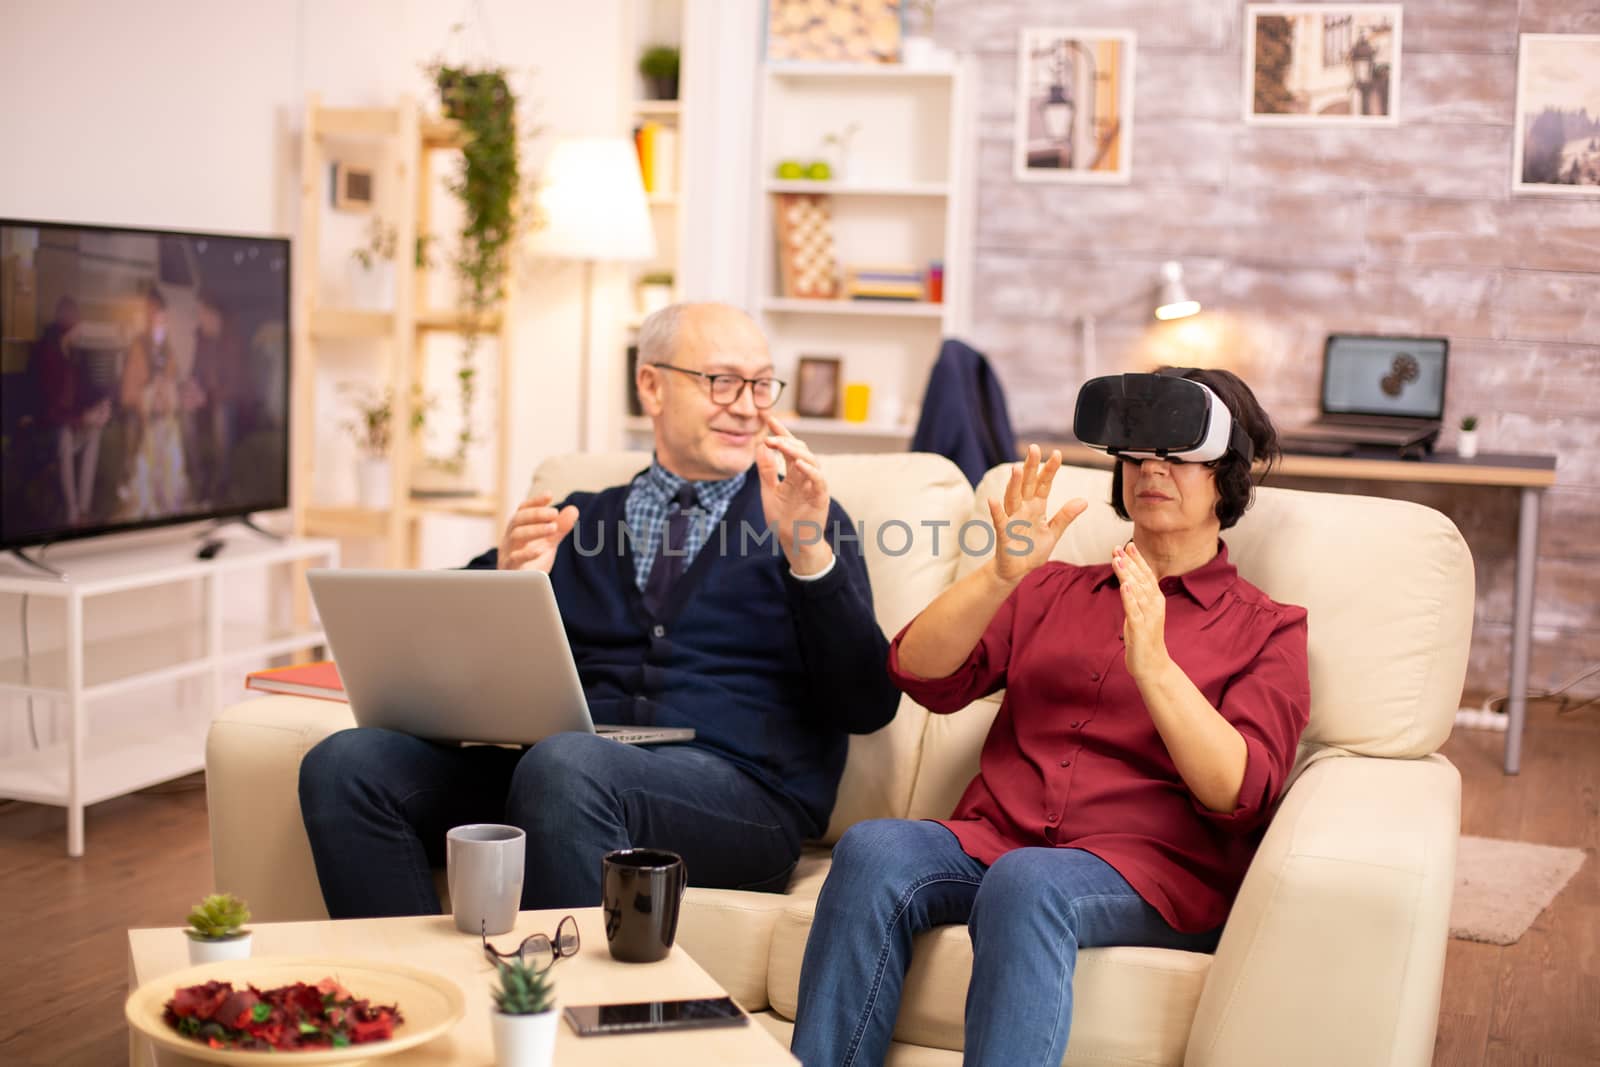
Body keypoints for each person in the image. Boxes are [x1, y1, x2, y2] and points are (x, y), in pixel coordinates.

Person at [298, 301, 902, 917]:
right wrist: (508, 586)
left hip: (738, 797)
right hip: (561, 773)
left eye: (761, 384)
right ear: (651, 385)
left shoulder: (805, 520)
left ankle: (560, 1007)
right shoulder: (575, 518)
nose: (748, 406)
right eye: (722, 382)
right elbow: (430, 641)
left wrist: (808, 555)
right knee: (348, 764)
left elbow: (868, 704)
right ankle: (415, 997)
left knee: (564, 764)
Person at [790, 368, 1311, 1067]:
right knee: (871, 849)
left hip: (1148, 874)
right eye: (1139, 450)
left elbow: (1237, 791)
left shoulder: (1268, 628)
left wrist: (1155, 665)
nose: (1152, 468)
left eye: (1178, 452)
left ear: (1229, 477)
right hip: (994, 841)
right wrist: (999, 574)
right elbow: (917, 671)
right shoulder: (1054, 587)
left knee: (1029, 880)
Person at [31, 296, 112, 525]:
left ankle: (84, 509)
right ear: (69, 326)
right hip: (46, 432)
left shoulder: (75, 356)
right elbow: (48, 411)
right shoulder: (46, 354)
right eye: (79, 326)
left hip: (71, 423)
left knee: (94, 432)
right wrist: (81, 417)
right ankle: (72, 512)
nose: (81, 331)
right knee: (65, 434)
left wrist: (100, 405)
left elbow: (87, 392)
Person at [118, 286, 191, 517]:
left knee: (172, 437)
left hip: (165, 414)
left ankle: (168, 494)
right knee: (139, 438)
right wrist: (149, 395)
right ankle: (136, 485)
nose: (157, 318)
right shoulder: (139, 345)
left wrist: (165, 391)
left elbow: (173, 376)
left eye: (160, 314)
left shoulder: (167, 348)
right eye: (152, 312)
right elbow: (130, 388)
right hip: (143, 411)